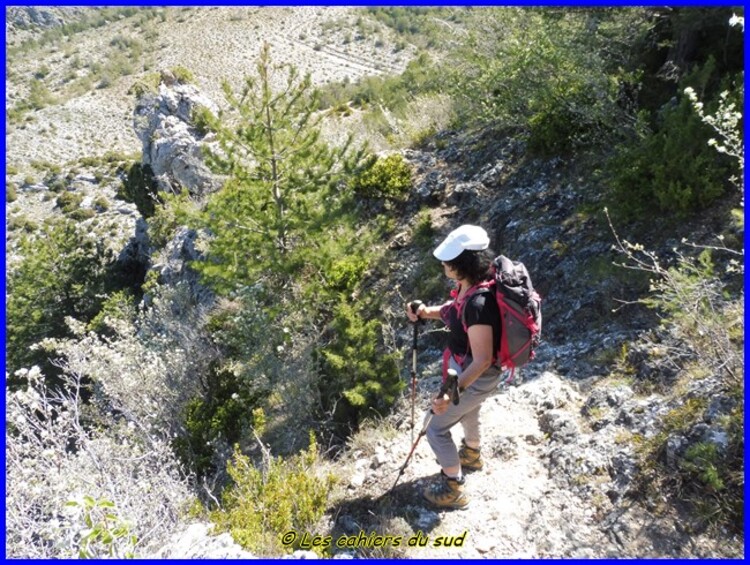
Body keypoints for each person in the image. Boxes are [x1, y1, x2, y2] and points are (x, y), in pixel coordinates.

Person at [405, 224, 502, 509]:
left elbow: (483, 358)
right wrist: (424, 313)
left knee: (435, 426)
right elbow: (452, 311)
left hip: (478, 372)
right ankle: (472, 454)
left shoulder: (479, 304)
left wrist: (450, 392)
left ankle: (453, 488)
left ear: (463, 264)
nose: (444, 265)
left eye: (449, 261)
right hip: (471, 369)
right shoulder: (473, 285)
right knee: (470, 409)